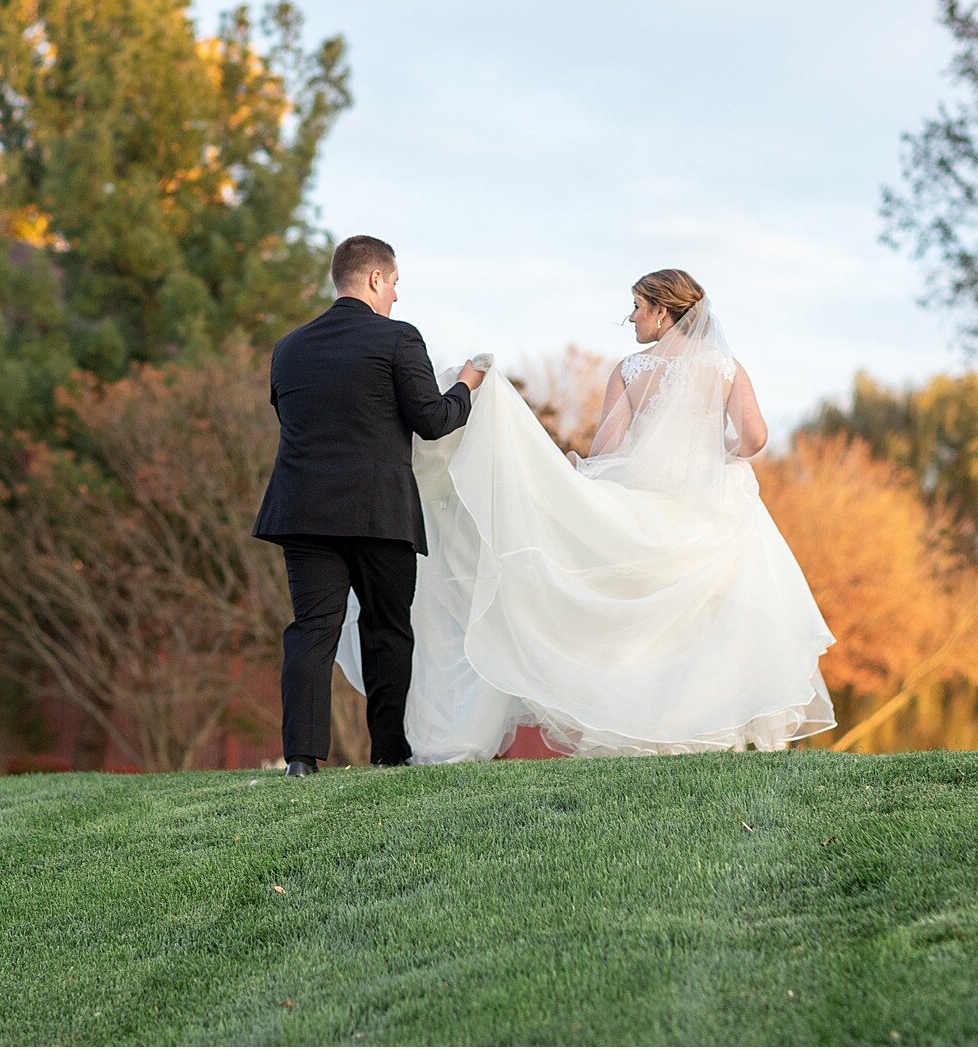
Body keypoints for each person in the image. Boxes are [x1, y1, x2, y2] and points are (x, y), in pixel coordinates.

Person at [336, 268, 836, 760]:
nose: (632, 318)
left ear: (662, 312)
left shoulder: (632, 370)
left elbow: (607, 448)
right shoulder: (726, 368)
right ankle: (704, 727)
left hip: (640, 502)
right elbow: (754, 439)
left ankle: (637, 725)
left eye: (638, 307)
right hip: (708, 510)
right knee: (703, 620)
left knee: (637, 626)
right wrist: (714, 455)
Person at [252, 234, 486, 776]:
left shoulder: (289, 347)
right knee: (386, 628)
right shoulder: (398, 339)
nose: (397, 297)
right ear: (376, 279)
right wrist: (467, 386)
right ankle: (388, 753)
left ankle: (300, 760)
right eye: (396, 283)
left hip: (304, 511)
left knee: (312, 629)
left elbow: (292, 421)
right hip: (379, 512)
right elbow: (432, 421)